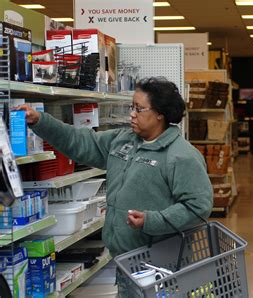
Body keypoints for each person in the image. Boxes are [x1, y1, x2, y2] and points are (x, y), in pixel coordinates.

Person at [18, 77, 213, 296]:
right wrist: (40, 121)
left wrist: (152, 220)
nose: (132, 114)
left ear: (160, 113)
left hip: (162, 266)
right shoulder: (124, 141)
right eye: (132, 107)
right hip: (126, 261)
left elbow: (198, 207)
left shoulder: (181, 156)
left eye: (139, 109)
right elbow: (81, 142)